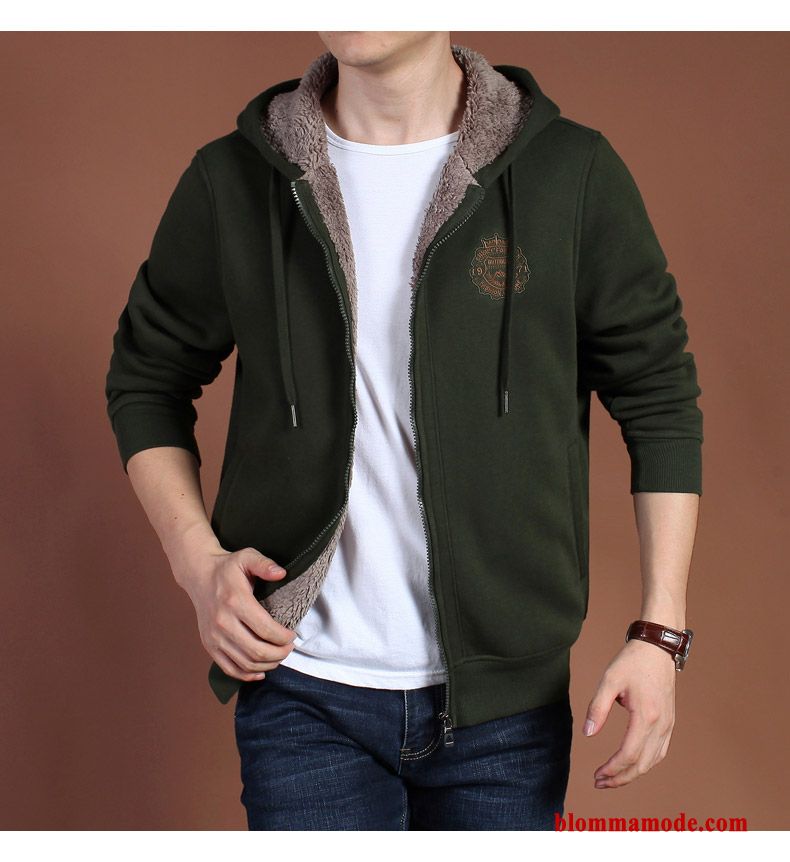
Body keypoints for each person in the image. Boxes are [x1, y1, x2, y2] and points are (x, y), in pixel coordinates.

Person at [105, 31, 703, 830]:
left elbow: (659, 398)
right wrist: (196, 562)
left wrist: (661, 634)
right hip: (301, 692)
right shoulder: (235, 178)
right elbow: (148, 375)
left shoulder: (571, 173)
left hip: (506, 711)